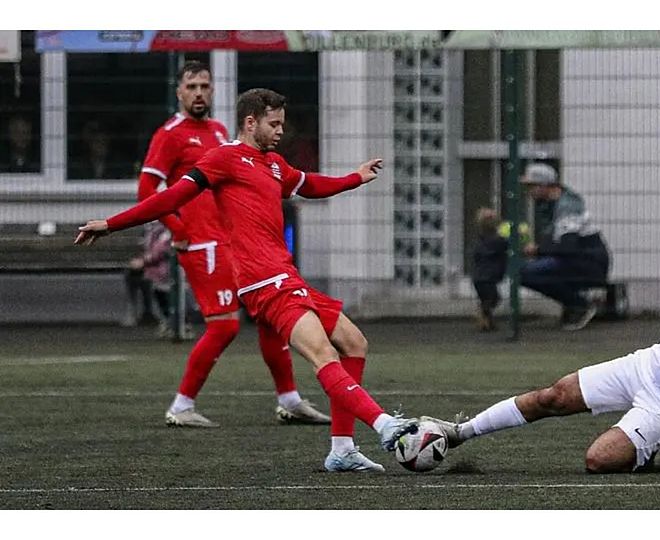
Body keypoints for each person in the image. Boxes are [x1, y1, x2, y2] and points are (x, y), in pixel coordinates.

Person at [76, 87, 418, 472]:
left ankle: (342, 448)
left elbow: (310, 185)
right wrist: (110, 224)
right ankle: (386, 425)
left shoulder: (273, 164)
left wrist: (354, 178)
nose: (280, 132)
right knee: (323, 353)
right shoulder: (223, 158)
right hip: (263, 282)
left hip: (287, 276)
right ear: (250, 122)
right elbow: (170, 198)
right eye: (274, 124)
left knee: (355, 343)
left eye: (283, 125)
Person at [426, 260, 660, 476]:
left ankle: (643, 445)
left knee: (598, 460)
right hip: (641, 366)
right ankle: (461, 432)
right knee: (553, 395)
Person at [137, 61, 331, 429]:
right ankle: (181, 405)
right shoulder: (170, 134)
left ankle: (289, 400)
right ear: (178, 91)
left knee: (272, 320)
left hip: (235, 245)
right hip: (202, 244)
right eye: (191, 86)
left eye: (204, 86)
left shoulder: (218, 131)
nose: (199, 92)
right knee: (224, 326)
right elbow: (148, 188)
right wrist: (178, 229)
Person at [519, 162, 610, 331]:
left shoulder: (567, 207)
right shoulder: (553, 205)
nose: (529, 191)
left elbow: (568, 247)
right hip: (580, 261)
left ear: (544, 185)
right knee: (527, 272)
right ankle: (575, 302)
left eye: (532, 186)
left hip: (588, 264)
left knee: (524, 273)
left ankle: (580, 304)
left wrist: (538, 250)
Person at [470, 208, 508, 332]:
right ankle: (483, 316)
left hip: (482, 276)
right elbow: (502, 246)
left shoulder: (482, 239)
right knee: (493, 299)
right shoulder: (495, 240)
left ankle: (487, 323)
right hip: (486, 277)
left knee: (488, 299)